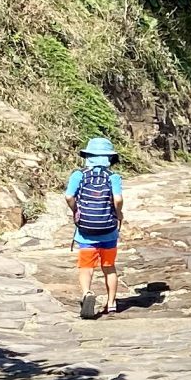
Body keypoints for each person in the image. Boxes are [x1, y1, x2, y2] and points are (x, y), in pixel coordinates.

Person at [64, 137, 126, 320]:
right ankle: (112, 303)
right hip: (108, 230)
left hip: (86, 231)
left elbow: (68, 196)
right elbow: (118, 199)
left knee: (86, 267)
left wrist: (76, 209)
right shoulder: (113, 177)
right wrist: (119, 213)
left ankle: (87, 294)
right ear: (110, 158)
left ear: (88, 156)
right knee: (109, 267)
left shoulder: (78, 175)